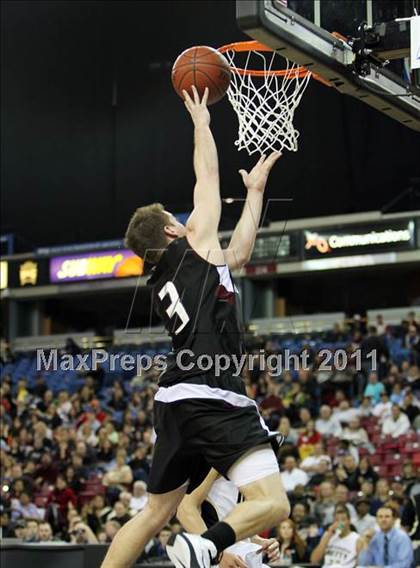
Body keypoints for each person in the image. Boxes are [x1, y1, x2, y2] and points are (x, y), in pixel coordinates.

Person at [100, 86, 287, 568]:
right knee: (273, 502)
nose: (185, 221)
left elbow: (239, 254)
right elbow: (206, 175)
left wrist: (255, 194)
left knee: (154, 512)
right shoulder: (190, 244)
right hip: (213, 391)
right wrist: (202, 122)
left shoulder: (169, 271)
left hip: (175, 397)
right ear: (169, 230)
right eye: (175, 219)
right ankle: (206, 545)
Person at [176, 467, 280, 568]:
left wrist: (260, 541)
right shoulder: (216, 462)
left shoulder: (246, 468)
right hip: (216, 557)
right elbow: (185, 510)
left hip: (238, 555)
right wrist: (217, 555)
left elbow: (235, 521)